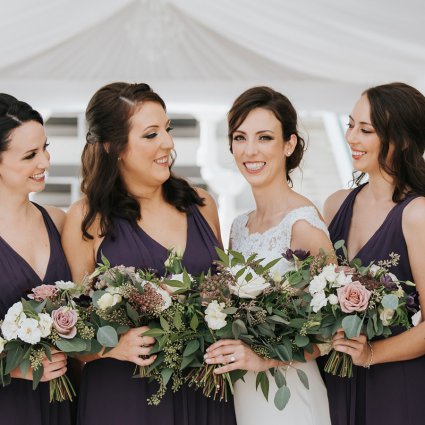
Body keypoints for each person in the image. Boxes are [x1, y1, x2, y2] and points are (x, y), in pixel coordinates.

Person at [62, 82, 236, 425]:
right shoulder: (87, 219)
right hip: (125, 399)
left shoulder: (202, 206)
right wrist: (112, 347)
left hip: (204, 391)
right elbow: (71, 328)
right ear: (114, 147)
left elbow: (225, 295)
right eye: (151, 134)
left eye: (167, 130)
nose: (168, 143)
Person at [204, 86, 332, 425]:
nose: (250, 150)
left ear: (289, 144)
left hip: (289, 396)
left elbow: (332, 331)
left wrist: (264, 358)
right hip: (245, 393)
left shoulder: (303, 224)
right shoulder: (239, 227)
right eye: (240, 137)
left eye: (264, 138)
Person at [322, 82, 425, 425]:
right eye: (351, 124)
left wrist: (370, 354)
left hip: (394, 387)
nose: (351, 137)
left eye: (365, 130)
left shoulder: (416, 214)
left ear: (404, 139)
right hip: (335, 382)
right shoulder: (336, 205)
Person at [0, 94, 73, 425]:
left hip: (66, 400)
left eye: (45, 147)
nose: (44, 161)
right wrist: (12, 366)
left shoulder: (59, 221)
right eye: (30, 155)